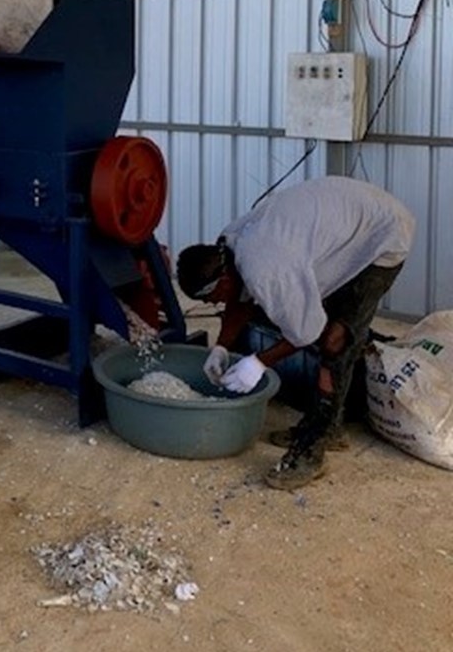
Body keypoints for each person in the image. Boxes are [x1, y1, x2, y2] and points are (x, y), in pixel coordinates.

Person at [176, 176, 415, 491]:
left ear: (220, 281)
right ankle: (328, 421)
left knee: (334, 341)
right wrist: (221, 347)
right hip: (346, 225)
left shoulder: (267, 271)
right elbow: (238, 299)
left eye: (210, 299)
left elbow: (306, 332)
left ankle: (314, 447)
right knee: (320, 322)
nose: (214, 304)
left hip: (382, 236)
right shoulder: (228, 246)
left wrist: (259, 362)